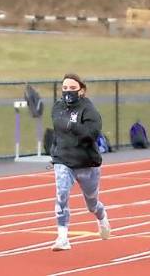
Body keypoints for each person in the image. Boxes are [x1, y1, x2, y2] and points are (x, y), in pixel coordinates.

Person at [50, 73, 110, 251]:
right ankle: (62, 238)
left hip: (86, 162)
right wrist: (54, 153)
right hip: (63, 160)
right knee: (61, 195)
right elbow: (58, 131)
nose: (68, 92)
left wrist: (73, 126)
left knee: (91, 203)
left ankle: (101, 216)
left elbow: (92, 133)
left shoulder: (88, 109)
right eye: (65, 88)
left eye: (72, 88)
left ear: (81, 90)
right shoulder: (57, 107)